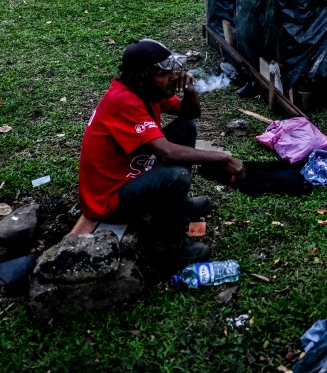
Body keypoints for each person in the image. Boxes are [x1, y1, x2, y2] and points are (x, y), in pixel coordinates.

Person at [76, 38, 245, 266]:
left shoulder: (146, 91)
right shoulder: (123, 101)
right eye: (165, 74)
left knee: (186, 127)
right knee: (175, 175)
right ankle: (167, 245)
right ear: (142, 75)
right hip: (109, 200)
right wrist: (222, 157)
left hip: (130, 172)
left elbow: (190, 114)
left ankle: (177, 206)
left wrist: (190, 90)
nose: (173, 78)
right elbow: (166, 153)